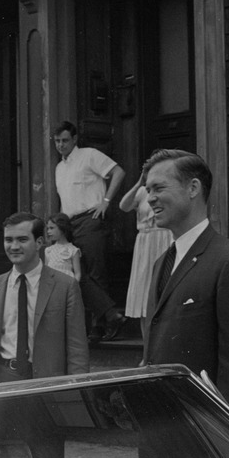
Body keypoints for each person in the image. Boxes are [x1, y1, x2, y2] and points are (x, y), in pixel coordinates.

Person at [143, 148, 229, 424]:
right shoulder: (161, 263)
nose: (150, 198)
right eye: (147, 190)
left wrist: (227, 440)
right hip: (158, 428)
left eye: (159, 188)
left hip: (204, 435)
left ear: (193, 188)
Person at [0, 212, 89, 382]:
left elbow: (77, 349)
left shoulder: (65, 286)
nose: (14, 246)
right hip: (1, 380)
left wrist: (77, 390)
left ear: (39, 243)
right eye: (8, 240)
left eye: (22, 240)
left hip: (47, 382)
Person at [53, 121, 127, 342]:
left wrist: (106, 201)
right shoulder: (59, 167)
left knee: (96, 271)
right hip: (69, 223)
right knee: (77, 273)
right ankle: (110, 315)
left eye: (65, 140)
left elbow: (119, 172)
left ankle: (98, 327)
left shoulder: (89, 155)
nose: (61, 145)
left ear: (75, 139)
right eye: (57, 141)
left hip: (90, 219)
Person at [118, 172, 173, 329]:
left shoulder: (168, 190)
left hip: (165, 238)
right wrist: (138, 183)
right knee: (144, 290)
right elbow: (124, 206)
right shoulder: (142, 191)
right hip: (145, 242)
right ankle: (147, 347)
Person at [43, 212, 82, 281]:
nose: (48, 231)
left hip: (67, 285)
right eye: (48, 228)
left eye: (52, 228)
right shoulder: (48, 250)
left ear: (62, 228)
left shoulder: (73, 250)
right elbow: (46, 271)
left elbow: (77, 273)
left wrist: (73, 287)